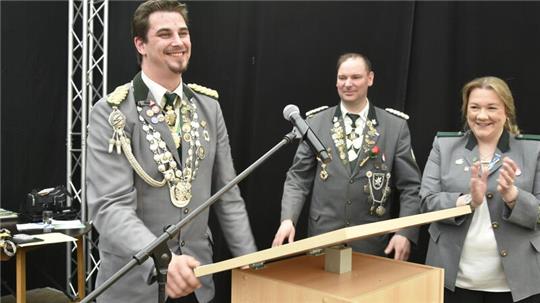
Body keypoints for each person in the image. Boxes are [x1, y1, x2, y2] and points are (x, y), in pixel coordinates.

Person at [86, 1, 257, 302]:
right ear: (140, 44)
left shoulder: (208, 107)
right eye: (165, 34)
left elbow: (228, 195)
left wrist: (253, 264)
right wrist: (162, 258)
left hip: (195, 278)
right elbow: (110, 207)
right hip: (136, 284)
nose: (178, 42)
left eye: (183, 33)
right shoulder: (112, 113)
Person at [272, 53, 421, 260]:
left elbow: (411, 187)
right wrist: (288, 219)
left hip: (371, 242)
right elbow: (298, 178)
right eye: (342, 78)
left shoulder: (394, 126)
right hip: (323, 239)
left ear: (370, 78)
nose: (348, 84)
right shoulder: (315, 123)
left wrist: (405, 232)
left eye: (355, 77)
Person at [420, 76, 540, 302]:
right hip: (453, 281)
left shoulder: (533, 151)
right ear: (466, 110)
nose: (482, 115)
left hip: (517, 284)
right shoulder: (444, 146)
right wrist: (468, 202)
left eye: (491, 107)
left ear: (506, 111)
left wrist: (514, 197)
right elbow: (426, 202)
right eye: (474, 107)